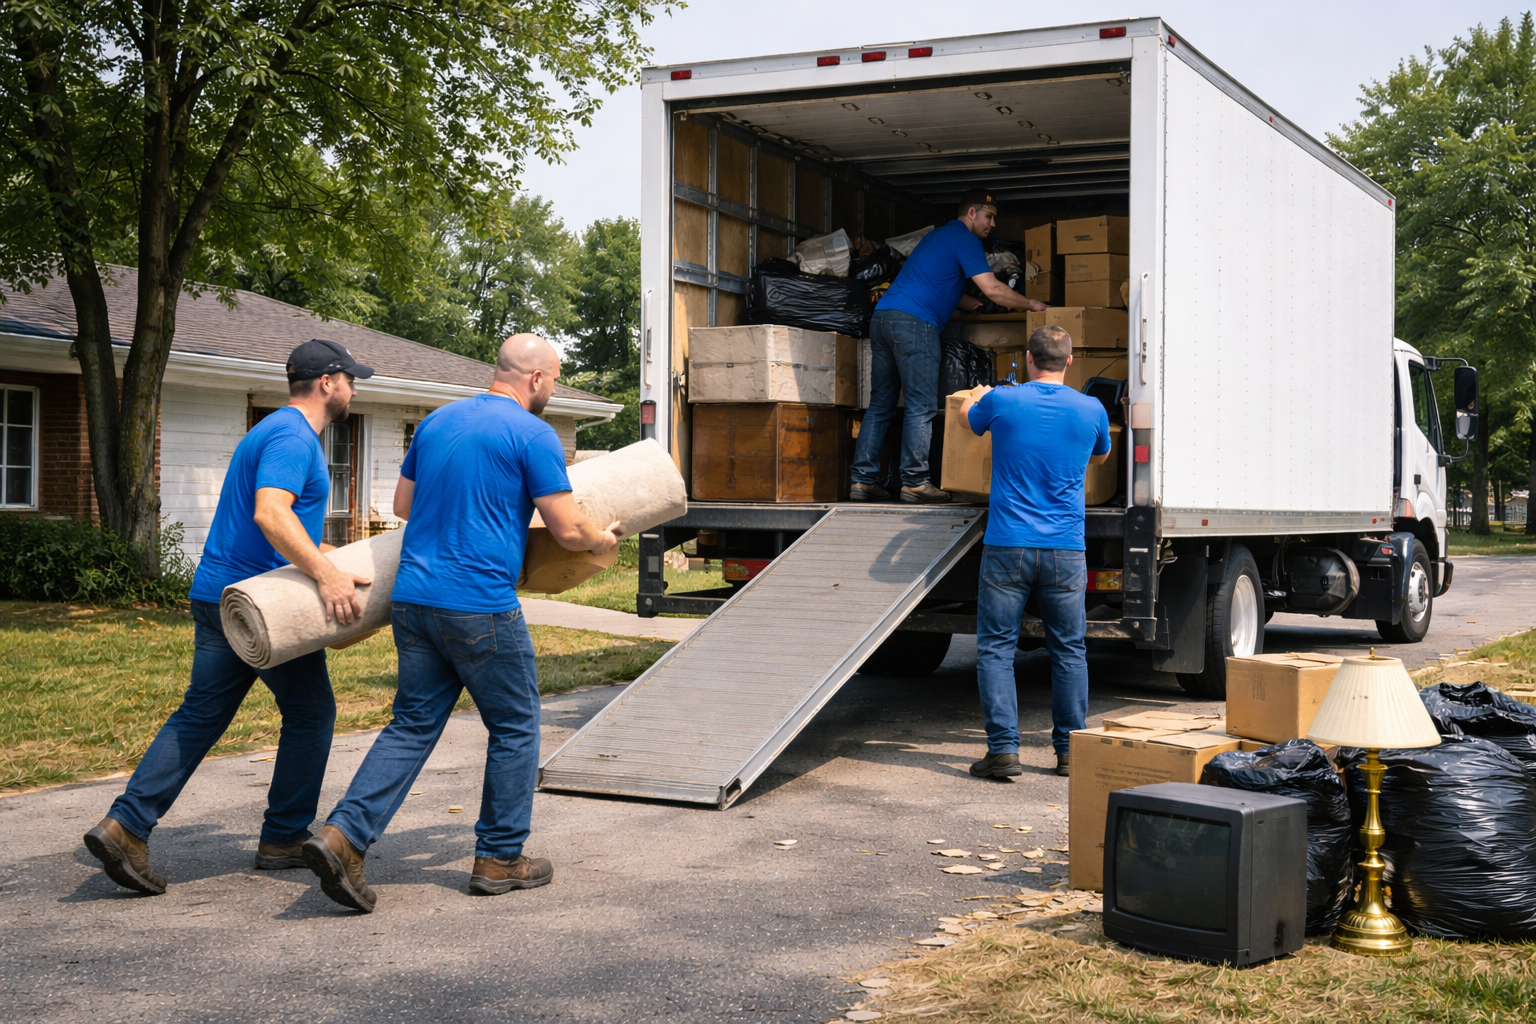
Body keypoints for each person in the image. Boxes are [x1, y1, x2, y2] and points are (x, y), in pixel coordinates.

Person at [302, 334, 620, 913]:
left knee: (412, 725)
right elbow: (569, 530)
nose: (551, 389)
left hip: (415, 601)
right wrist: (604, 539)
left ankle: (344, 836)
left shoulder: (437, 423)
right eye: (552, 380)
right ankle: (499, 858)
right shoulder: (533, 434)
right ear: (536, 379)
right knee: (518, 726)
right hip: (479, 606)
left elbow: (402, 506)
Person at [84, 339, 374, 895]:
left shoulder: (269, 430)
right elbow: (271, 512)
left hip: (219, 594)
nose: (354, 389)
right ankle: (285, 835)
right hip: (261, 606)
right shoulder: (292, 435)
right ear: (327, 382)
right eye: (350, 379)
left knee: (200, 715)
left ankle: (125, 826)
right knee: (312, 713)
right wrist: (326, 574)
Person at [960, 325, 1111, 779]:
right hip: (1066, 548)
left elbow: (969, 421)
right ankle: (1068, 752)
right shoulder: (1092, 409)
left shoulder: (1003, 400)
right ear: (1068, 361)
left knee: (996, 649)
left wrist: (975, 394)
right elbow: (1100, 457)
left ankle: (1004, 751)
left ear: (1028, 358)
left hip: (1008, 545)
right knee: (1069, 650)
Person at [849, 188, 1048, 504]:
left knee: (881, 403)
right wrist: (1031, 304)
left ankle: (861, 481)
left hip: (884, 319)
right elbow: (993, 288)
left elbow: (945, 288)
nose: (993, 224)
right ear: (971, 213)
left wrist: (977, 306)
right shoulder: (966, 240)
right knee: (921, 405)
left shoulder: (936, 238)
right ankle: (914, 481)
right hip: (915, 324)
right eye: (989, 216)